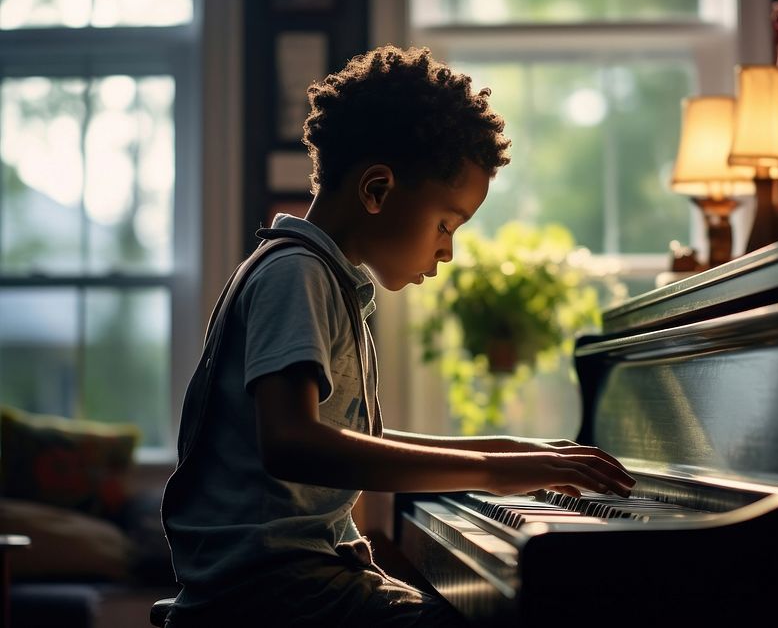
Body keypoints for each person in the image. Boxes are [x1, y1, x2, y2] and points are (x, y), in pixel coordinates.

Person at [160, 44, 635, 627]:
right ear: (378, 190)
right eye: (445, 224)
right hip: (268, 589)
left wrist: (516, 453)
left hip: (291, 576)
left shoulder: (323, 278)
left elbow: (338, 439)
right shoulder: (295, 274)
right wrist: (499, 470)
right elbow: (291, 442)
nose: (447, 250)